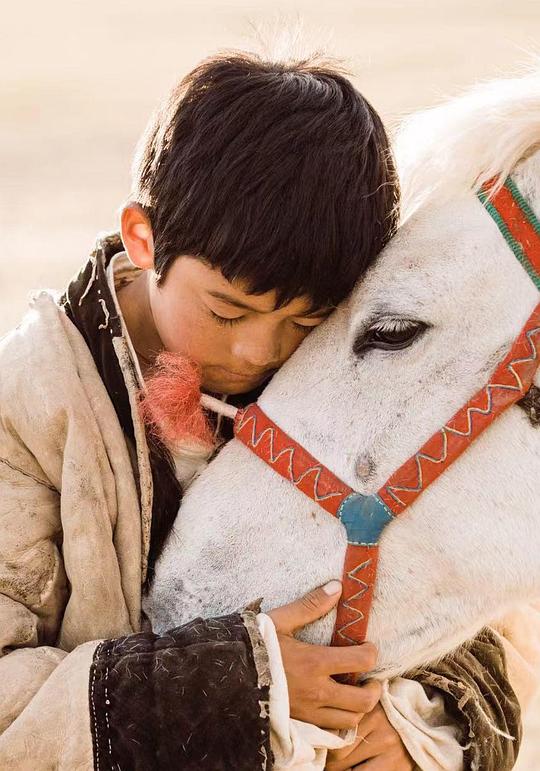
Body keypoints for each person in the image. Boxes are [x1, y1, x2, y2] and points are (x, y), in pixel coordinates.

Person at [0, 50, 533, 771]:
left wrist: (413, 733)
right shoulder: (25, 408)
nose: (258, 350)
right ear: (142, 237)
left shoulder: (320, 377)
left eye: (303, 321)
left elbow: (467, 626)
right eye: (229, 310)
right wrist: (240, 686)